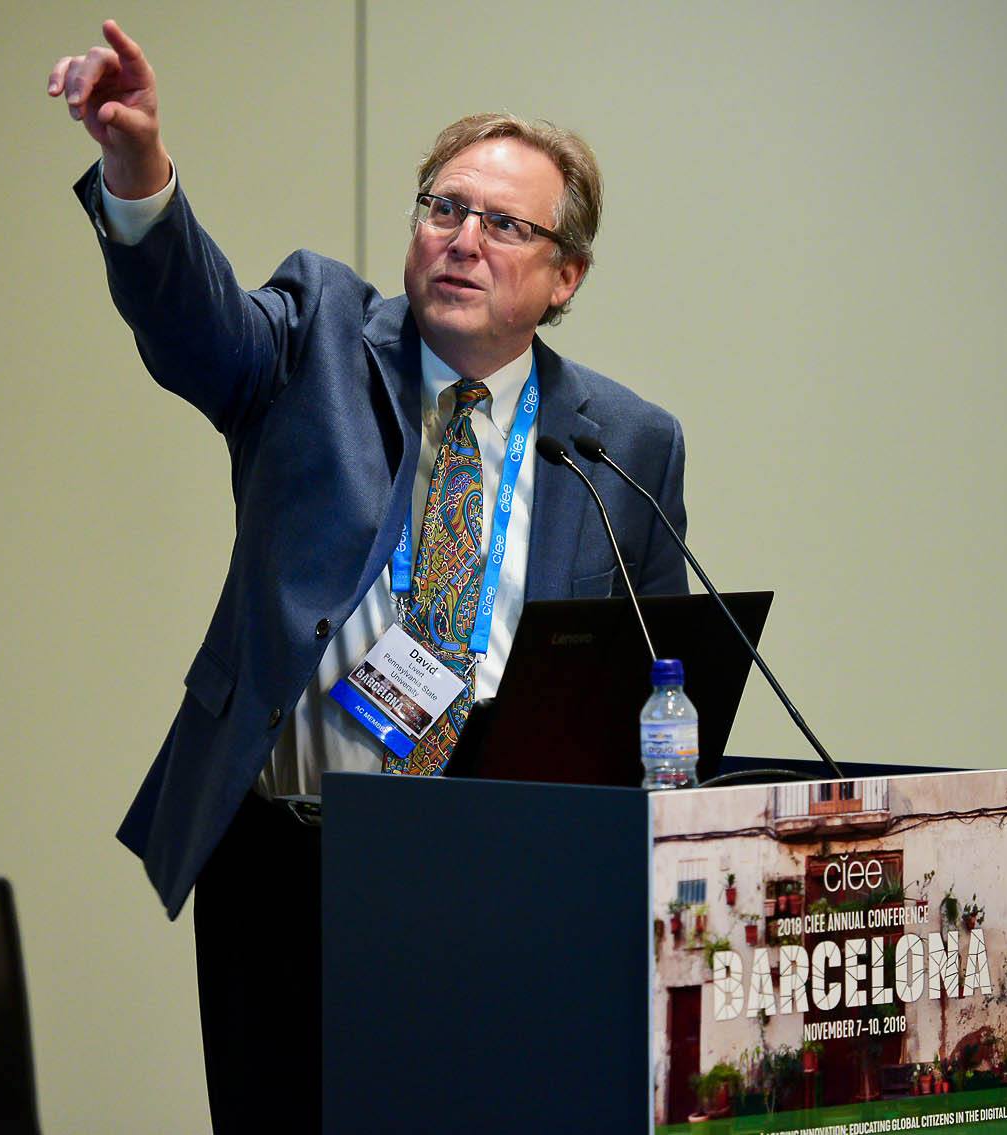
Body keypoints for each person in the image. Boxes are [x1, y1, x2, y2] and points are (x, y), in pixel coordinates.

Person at [49, 20, 689, 1132]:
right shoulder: (317, 341)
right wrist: (137, 168)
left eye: (503, 223)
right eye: (443, 208)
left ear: (565, 275)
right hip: (292, 862)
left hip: (503, 877)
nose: (462, 238)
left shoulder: (626, 442)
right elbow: (193, 324)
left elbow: (653, 676)